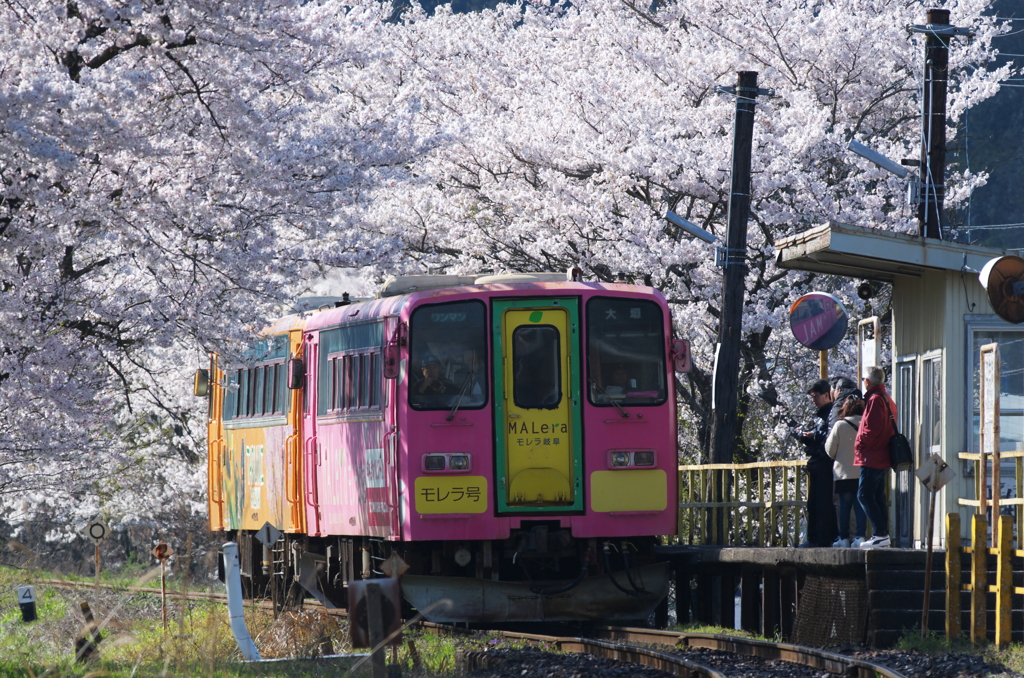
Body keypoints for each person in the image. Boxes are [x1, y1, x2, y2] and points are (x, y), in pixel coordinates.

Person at [855, 366, 897, 549]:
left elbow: (871, 429)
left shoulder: (874, 400)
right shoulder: (887, 399)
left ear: (867, 381)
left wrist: (860, 444)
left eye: (864, 379)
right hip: (883, 454)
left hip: (873, 455)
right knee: (877, 494)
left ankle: (879, 533)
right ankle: (882, 535)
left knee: (864, 494)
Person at [795, 378, 839, 547]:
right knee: (813, 503)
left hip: (825, 465)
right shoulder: (820, 415)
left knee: (823, 504)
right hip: (817, 464)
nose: (813, 400)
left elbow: (829, 438)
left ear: (827, 394)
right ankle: (814, 537)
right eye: (811, 396)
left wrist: (814, 436)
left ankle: (822, 538)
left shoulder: (831, 413)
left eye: (816, 396)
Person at [825, 394, 867, 548]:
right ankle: (860, 537)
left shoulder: (839, 426)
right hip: (862, 471)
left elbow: (830, 450)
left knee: (844, 506)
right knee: (860, 506)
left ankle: (843, 538)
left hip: (843, 474)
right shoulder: (866, 424)